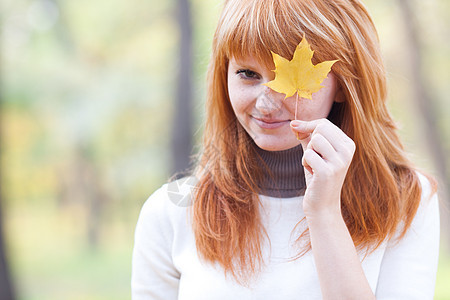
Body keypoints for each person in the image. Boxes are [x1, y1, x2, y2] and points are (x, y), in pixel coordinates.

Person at [131, 0, 440, 299]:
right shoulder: (170, 212)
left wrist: (324, 213)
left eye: (288, 82)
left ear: (345, 85)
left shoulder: (407, 201)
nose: (265, 103)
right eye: (248, 74)